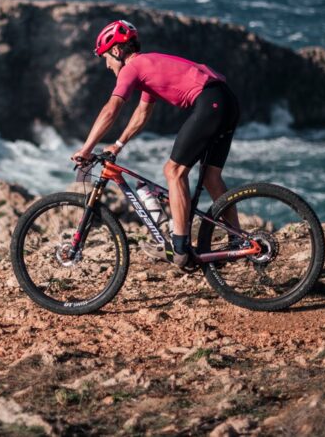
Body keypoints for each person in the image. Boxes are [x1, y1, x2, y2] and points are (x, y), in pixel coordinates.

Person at [70, 20, 241, 268]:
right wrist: (117, 145)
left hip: (210, 103)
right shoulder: (148, 66)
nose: (107, 64)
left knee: (173, 171)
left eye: (106, 57)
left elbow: (111, 109)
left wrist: (86, 149)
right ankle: (239, 241)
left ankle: (180, 248)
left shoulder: (132, 68)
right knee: (211, 178)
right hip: (226, 100)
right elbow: (142, 114)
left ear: (117, 51)